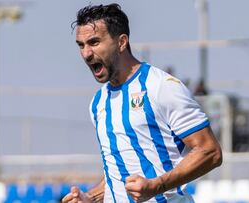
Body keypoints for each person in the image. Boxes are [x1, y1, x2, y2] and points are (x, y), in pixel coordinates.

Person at [62, 3, 222, 203]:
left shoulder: (162, 87)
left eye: (94, 42)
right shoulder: (98, 102)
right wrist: (91, 198)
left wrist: (157, 185)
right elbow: (121, 169)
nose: (86, 53)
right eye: (81, 45)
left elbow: (210, 151)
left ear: (121, 42)